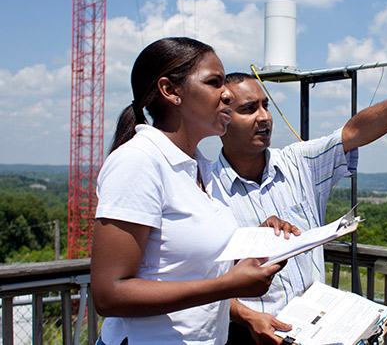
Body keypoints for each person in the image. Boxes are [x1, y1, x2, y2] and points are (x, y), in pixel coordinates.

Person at [210, 65, 387, 344]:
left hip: (314, 331)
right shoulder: (204, 187)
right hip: (247, 334)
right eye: (248, 109)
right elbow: (193, 277)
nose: (264, 117)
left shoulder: (298, 163)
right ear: (222, 119)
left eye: (265, 106)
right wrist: (245, 315)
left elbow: (355, 131)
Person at [90, 37, 287, 345]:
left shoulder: (200, 169)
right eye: (214, 82)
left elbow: (186, 264)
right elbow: (110, 294)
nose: (227, 94)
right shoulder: (139, 161)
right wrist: (227, 286)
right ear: (170, 90)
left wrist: (258, 243)